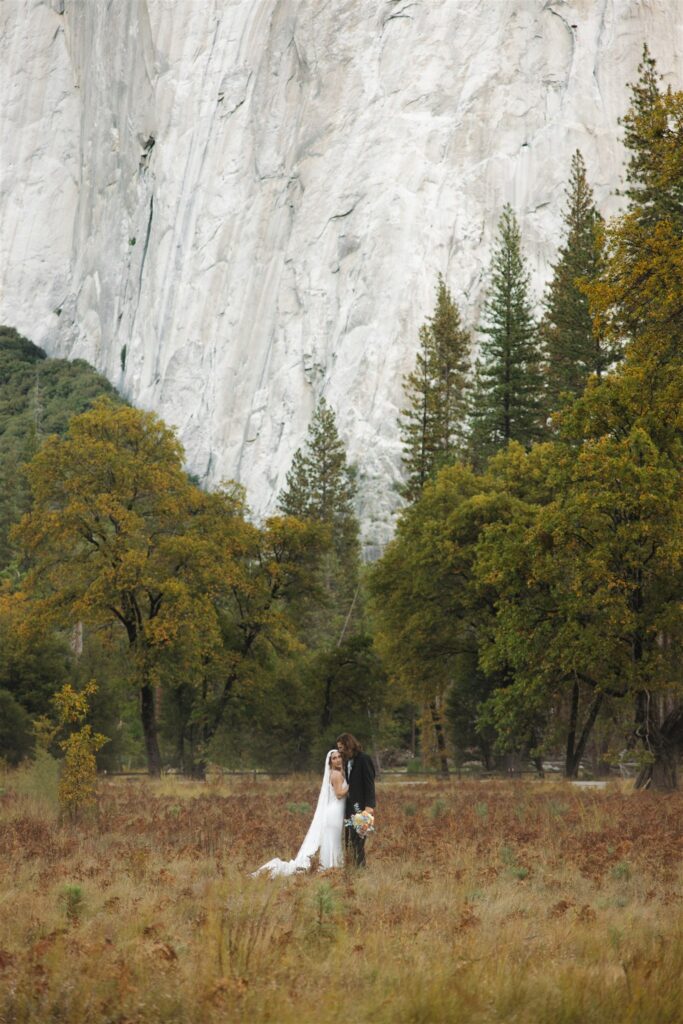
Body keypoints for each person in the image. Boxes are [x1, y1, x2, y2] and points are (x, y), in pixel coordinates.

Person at [253, 749, 348, 877]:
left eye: (339, 757)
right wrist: (351, 786)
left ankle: (331, 867)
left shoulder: (336, 773)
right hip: (334, 813)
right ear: (330, 762)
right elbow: (339, 794)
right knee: (333, 840)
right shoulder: (336, 774)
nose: (337, 760)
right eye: (334, 758)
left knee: (332, 840)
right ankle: (331, 867)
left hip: (334, 812)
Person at [337, 732, 376, 868]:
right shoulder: (347, 761)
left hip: (361, 808)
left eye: (341, 747)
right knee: (349, 838)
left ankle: (360, 869)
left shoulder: (364, 759)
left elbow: (370, 783)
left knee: (358, 838)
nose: (339, 751)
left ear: (348, 745)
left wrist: (369, 806)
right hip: (349, 807)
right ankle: (351, 867)